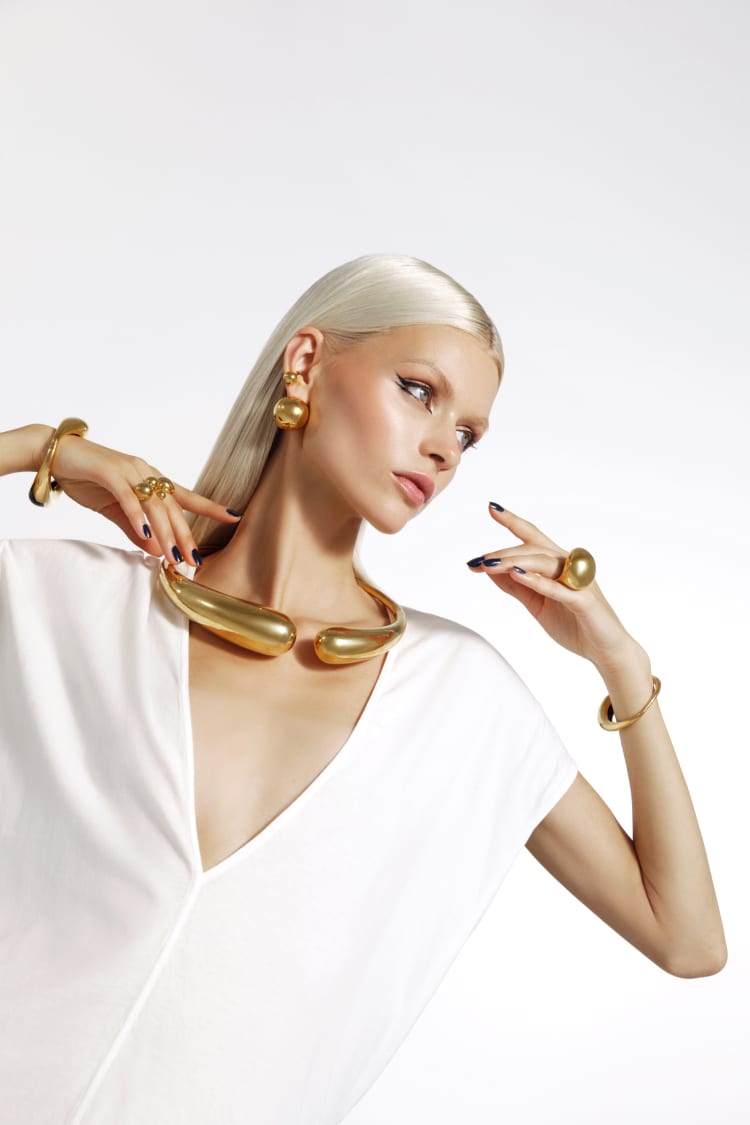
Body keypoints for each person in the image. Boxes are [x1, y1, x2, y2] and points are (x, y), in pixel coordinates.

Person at [0, 253, 726, 1124]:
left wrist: (623, 662)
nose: (443, 449)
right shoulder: (63, 600)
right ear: (306, 363)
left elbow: (687, 937)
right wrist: (37, 449)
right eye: (419, 391)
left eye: (468, 435)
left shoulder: (456, 696)